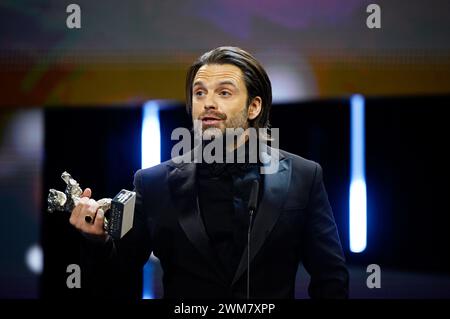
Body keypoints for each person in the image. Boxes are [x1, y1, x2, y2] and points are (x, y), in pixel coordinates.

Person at [70, 46, 349, 299]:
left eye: (224, 92)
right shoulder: (152, 182)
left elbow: (331, 278)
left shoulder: (303, 176)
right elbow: (115, 278)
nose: (207, 103)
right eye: (199, 92)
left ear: (254, 107)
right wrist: (98, 241)